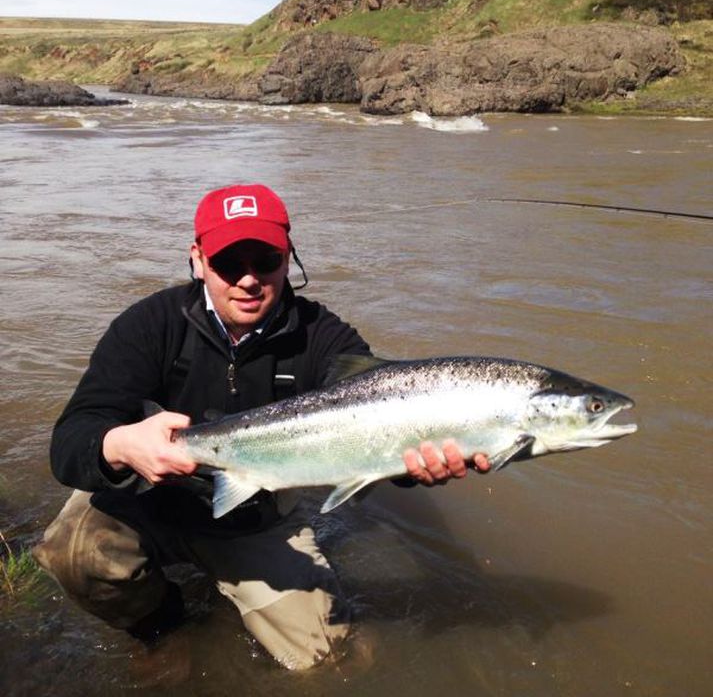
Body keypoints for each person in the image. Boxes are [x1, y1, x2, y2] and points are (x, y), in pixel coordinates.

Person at [34, 183, 490, 671]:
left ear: (288, 258)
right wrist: (121, 443)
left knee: (332, 663)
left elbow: (381, 428)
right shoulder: (149, 325)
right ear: (197, 259)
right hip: (149, 499)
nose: (249, 280)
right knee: (73, 552)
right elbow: (70, 441)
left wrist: (413, 467)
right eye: (230, 264)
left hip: (255, 516)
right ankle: (160, 627)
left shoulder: (326, 338)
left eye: (266, 260)